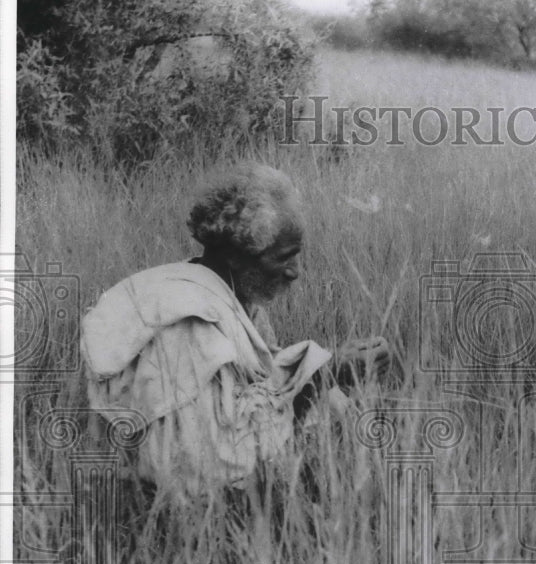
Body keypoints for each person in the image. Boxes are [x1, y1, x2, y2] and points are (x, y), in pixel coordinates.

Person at [81, 162, 390, 506]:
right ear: (236, 256)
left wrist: (327, 373)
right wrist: (324, 375)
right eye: (285, 257)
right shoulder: (192, 325)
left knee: (339, 406)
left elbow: (258, 388)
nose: (296, 272)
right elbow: (217, 471)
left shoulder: (227, 292)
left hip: (187, 473)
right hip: (177, 507)